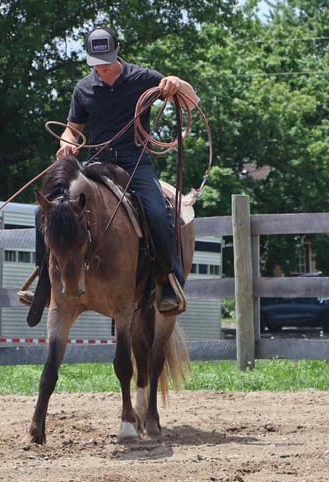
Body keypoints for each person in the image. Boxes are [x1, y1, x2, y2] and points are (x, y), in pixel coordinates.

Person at [19, 26, 198, 316]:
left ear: (118, 50)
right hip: (96, 164)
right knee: (45, 210)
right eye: (96, 62)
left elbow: (191, 101)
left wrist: (177, 82)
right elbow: (71, 129)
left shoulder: (143, 78)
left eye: (106, 60)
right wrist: (67, 144)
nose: (101, 67)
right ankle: (45, 281)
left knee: (156, 211)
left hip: (135, 162)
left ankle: (168, 281)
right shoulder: (84, 88)